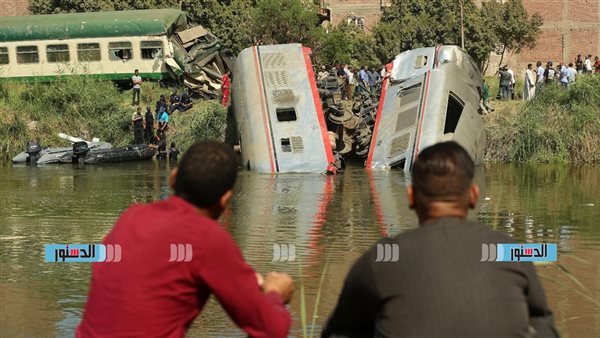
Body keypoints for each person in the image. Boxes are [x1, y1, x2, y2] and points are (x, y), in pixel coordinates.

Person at [321, 141, 559, 338]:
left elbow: (337, 330)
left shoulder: (384, 256)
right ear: (474, 196)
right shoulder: (508, 250)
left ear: (411, 198)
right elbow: (543, 320)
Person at [76, 142, 294, 337]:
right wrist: (275, 293)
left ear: (173, 178)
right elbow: (271, 329)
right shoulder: (208, 238)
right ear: (225, 200)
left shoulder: (131, 216)